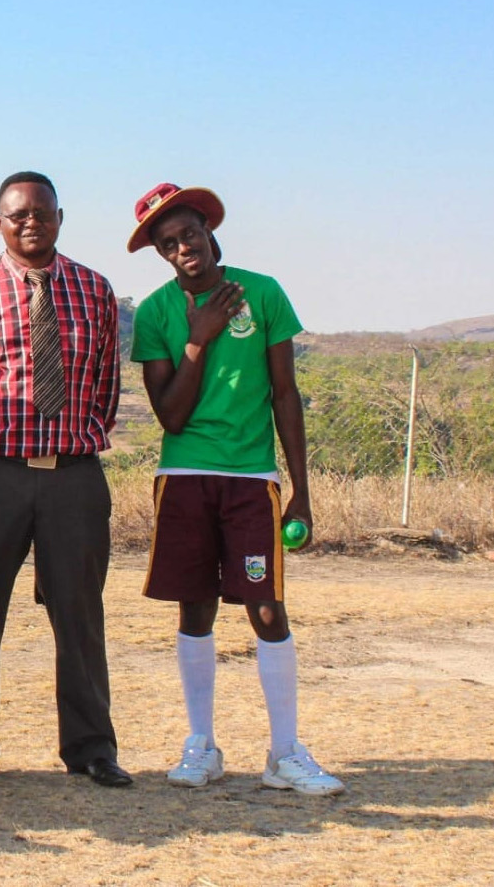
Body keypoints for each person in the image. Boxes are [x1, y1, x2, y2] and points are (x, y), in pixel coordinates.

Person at [127, 182, 345, 796]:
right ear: (161, 253)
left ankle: (284, 752)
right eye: (168, 244)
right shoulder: (156, 314)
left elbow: (284, 394)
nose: (182, 248)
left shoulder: (264, 291)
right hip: (185, 475)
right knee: (194, 607)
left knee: (267, 607)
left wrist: (299, 488)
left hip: (252, 477)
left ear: (209, 229)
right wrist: (199, 335)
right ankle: (202, 744)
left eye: (188, 234)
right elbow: (170, 415)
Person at [0, 170, 130, 788]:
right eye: (17, 215)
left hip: (73, 476)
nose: (30, 223)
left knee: (79, 614)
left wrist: (64, 438)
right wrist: (9, 433)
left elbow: (104, 387)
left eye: (41, 213)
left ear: (59, 218)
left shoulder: (95, 291)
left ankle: (91, 748)